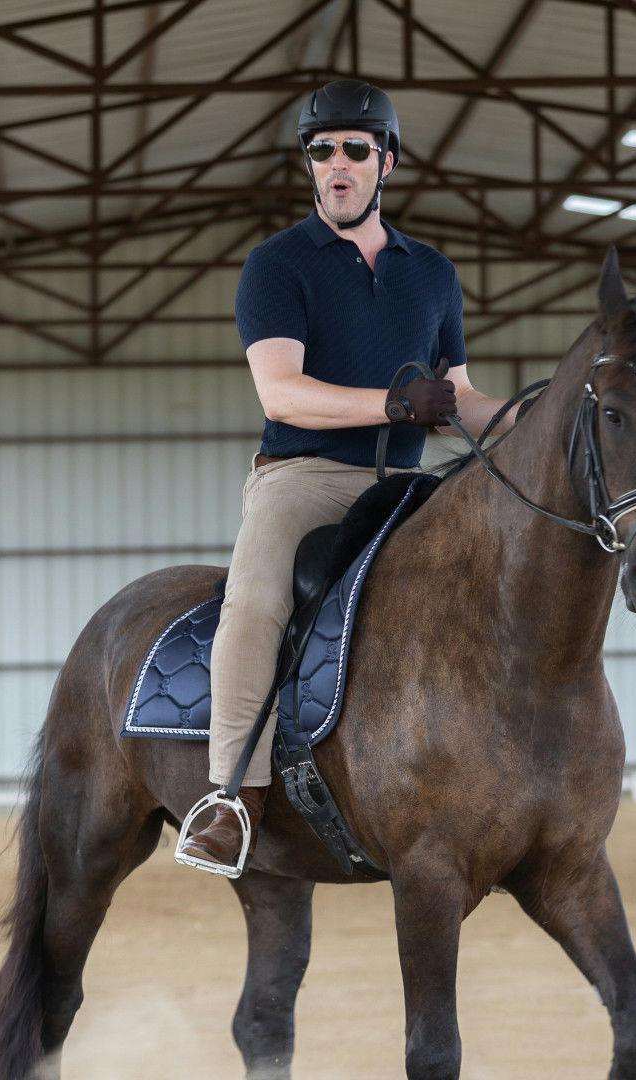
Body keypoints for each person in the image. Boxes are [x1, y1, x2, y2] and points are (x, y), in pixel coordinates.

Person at [176, 79, 521, 876]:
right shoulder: (277, 266)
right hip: (302, 479)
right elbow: (280, 392)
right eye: (321, 150)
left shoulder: (430, 273)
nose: (336, 164)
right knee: (256, 599)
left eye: (354, 150)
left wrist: (539, 419)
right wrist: (396, 403)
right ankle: (232, 796)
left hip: (401, 484)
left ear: (386, 163)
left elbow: (457, 400)